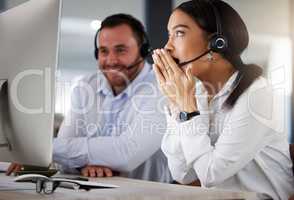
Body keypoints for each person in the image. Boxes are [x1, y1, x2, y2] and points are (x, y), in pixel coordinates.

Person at [152, 0, 294, 199]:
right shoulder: (197, 93)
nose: (167, 47)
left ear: (217, 42)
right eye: (169, 35)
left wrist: (186, 107)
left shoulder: (257, 95)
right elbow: (183, 174)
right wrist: (177, 106)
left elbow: (210, 175)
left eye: (179, 33)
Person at [7, 13, 172, 183]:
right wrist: (84, 163)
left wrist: (40, 148)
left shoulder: (162, 87)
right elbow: (65, 145)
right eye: (103, 51)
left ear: (143, 50)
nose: (111, 60)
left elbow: (126, 153)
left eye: (121, 50)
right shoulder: (85, 87)